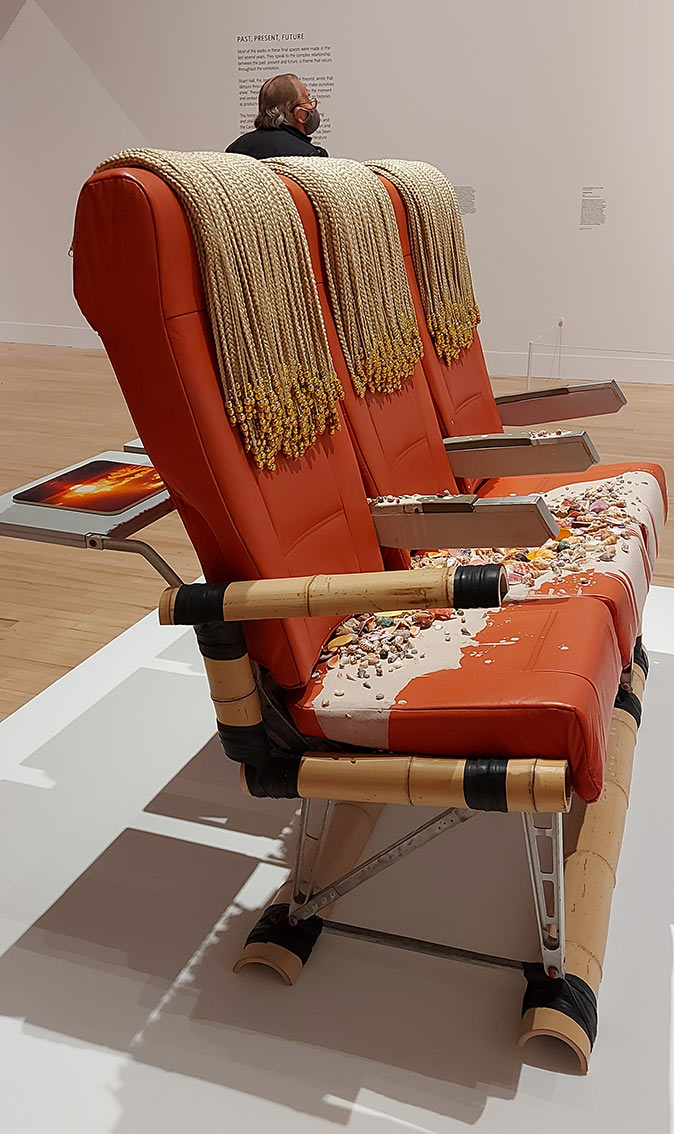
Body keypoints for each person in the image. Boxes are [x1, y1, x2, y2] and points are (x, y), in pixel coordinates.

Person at [226, 73, 328, 159]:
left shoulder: (234, 149)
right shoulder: (307, 155)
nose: (312, 106)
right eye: (308, 100)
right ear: (299, 113)